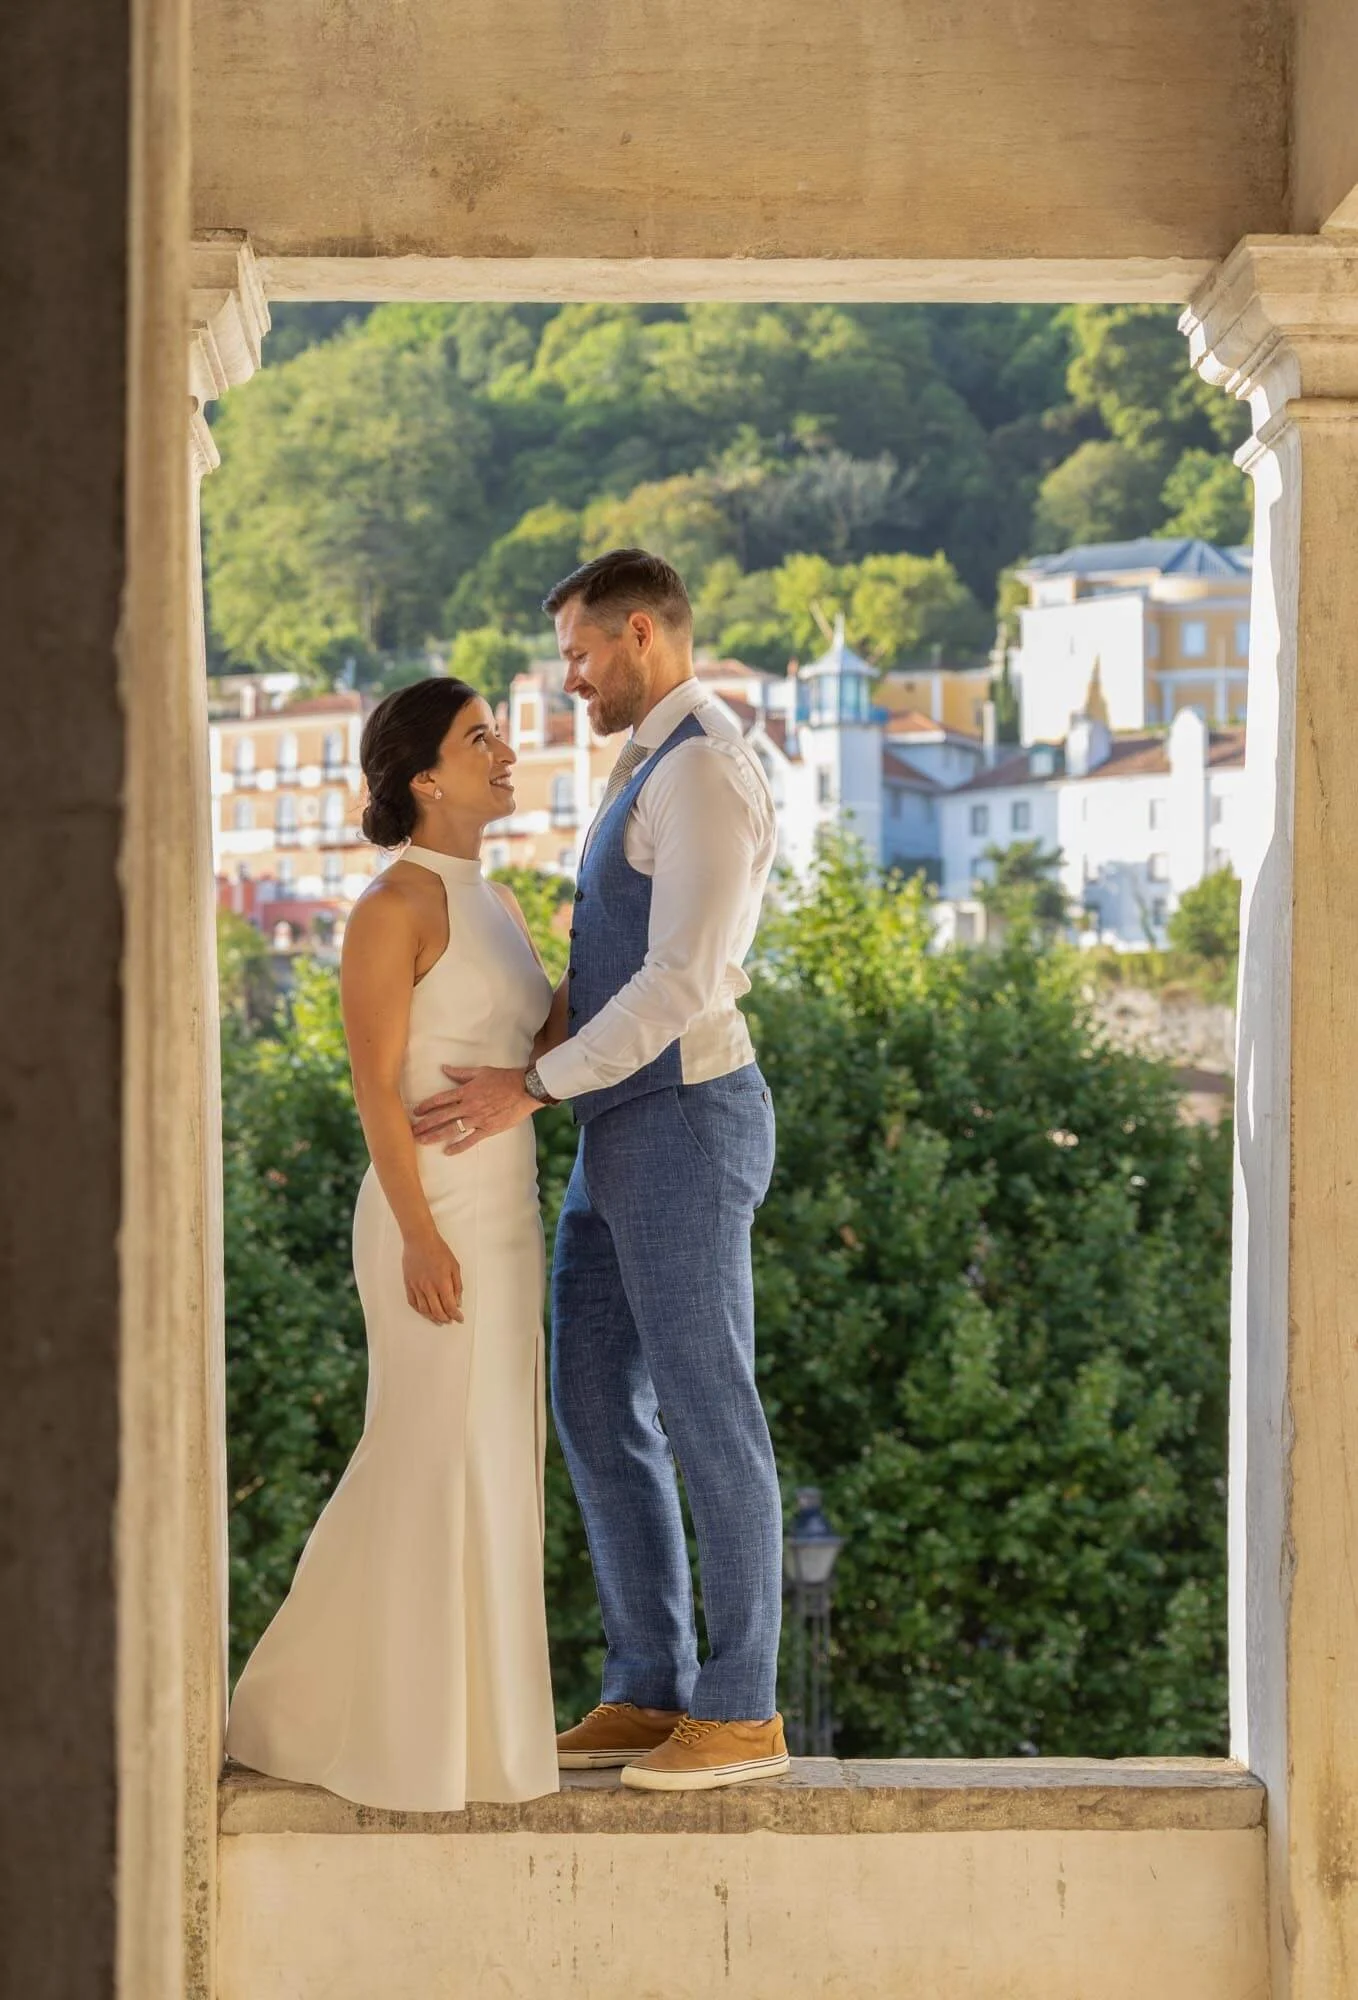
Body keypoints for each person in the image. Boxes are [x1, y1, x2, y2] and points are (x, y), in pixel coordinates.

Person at [413, 549, 788, 1792]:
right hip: (617, 1125)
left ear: (640, 633)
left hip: (680, 1116)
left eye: (577, 653)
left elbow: (680, 983)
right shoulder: (643, 770)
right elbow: (622, 956)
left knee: (706, 1408)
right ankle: (648, 1685)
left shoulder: (707, 775)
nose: (567, 679)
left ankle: (739, 1712)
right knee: (591, 1396)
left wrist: (529, 1084)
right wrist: (550, 1025)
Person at [224, 677, 560, 1813]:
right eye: (480, 737)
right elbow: (372, 1086)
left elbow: (545, 1038)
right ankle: (316, 1714)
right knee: (421, 1457)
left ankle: (480, 1741)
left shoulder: (499, 901)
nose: (504, 748)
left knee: (491, 1461)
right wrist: (417, 1232)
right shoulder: (392, 906)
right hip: (430, 1214)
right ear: (425, 778)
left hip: (507, 1219)